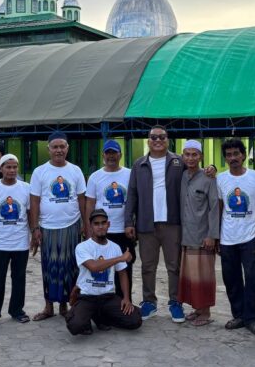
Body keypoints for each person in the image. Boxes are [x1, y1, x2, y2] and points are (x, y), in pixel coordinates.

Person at [124, 125, 185, 322]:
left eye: (162, 137)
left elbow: (195, 173)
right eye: (154, 137)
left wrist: (211, 169)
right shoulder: (139, 164)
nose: (158, 140)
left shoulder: (178, 162)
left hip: (172, 222)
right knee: (148, 266)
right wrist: (129, 221)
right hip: (146, 223)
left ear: (168, 140)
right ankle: (149, 302)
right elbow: (132, 194)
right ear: (148, 140)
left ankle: (175, 302)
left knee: (174, 266)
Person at [29, 131, 87, 321]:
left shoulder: (75, 170)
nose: (59, 150)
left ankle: (64, 305)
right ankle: (48, 307)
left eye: (62, 146)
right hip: (48, 227)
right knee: (50, 267)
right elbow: (34, 201)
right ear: (49, 149)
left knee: (70, 267)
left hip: (72, 225)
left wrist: (86, 225)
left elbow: (82, 199)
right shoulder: (40, 172)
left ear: (67, 148)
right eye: (55, 147)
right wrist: (35, 228)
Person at [65, 209, 142, 335]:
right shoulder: (82, 247)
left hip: (108, 297)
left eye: (103, 223)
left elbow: (122, 274)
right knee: (76, 326)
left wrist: (126, 298)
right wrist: (120, 258)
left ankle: (100, 316)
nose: (100, 226)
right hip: (87, 296)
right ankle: (81, 312)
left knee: (135, 320)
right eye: (96, 224)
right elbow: (93, 267)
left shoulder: (115, 247)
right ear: (90, 226)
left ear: (108, 224)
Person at [215, 138, 255, 335]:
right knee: (231, 279)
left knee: (252, 279)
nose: (233, 158)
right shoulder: (221, 179)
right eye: (229, 155)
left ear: (243, 155)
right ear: (225, 158)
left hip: (250, 236)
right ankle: (239, 316)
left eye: (236, 154)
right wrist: (216, 236)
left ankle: (252, 319)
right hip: (227, 237)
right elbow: (219, 208)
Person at [0, 154, 32, 325]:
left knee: (19, 278)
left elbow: (30, 213)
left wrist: (34, 233)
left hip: (20, 242)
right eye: (8, 167)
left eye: (14, 167)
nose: (11, 170)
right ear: (0, 168)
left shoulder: (26, 188)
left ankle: (17, 310)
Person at [85, 140, 135, 300]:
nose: (111, 156)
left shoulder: (130, 174)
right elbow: (90, 203)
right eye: (108, 153)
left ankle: (124, 301)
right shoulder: (95, 177)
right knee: (102, 269)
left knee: (125, 268)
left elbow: (136, 200)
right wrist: (89, 230)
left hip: (123, 231)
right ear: (103, 155)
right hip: (102, 231)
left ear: (120, 155)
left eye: (114, 153)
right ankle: (104, 303)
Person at [177, 140, 219, 327]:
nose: (191, 158)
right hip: (187, 236)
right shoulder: (183, 176)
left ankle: (206, 312)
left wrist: (212, 235)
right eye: (187, 154)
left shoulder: (209, 178)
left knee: (204, 276)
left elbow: (214, 208)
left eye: (194, 154)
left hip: (203, 237)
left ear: (201, 156)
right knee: (192, 276)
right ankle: (198, 308)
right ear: (182, 156)